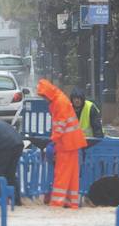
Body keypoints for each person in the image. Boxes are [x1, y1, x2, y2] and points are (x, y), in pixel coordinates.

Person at [36, 78, 87, 209]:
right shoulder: (60, 100)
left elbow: (60, 125)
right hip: (72, 142)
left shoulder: (59, 102)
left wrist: (53, 142)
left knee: (61, 173)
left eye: (43, 96)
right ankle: (71, 201)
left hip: (66, 143)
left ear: (47, 93)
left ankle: (57, 202)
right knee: (71, 174)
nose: (44, 99)